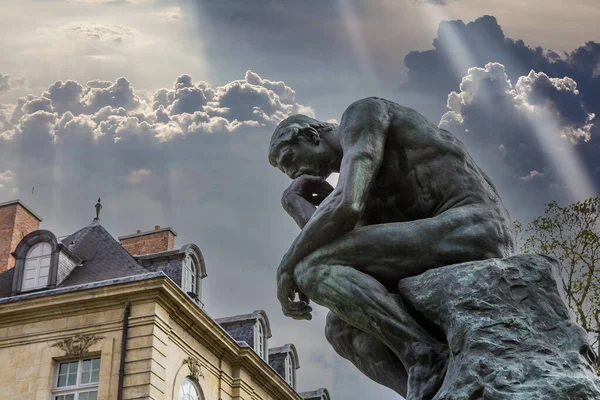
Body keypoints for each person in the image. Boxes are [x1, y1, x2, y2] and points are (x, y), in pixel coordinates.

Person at [268, 97, 515, 399]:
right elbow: (338, 251)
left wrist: (287, 266)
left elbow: (347, 205)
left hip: (473, 228)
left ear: (309, 135)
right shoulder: (355, 178)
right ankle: (430, 391)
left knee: (311, 269)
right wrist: (294, 203)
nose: (292, 173)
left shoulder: (363, 116)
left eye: (289, 159)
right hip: (431, 243)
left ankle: (423, 354)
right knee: (342, 327)